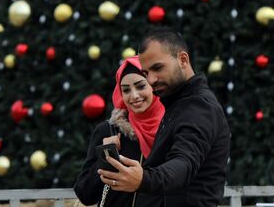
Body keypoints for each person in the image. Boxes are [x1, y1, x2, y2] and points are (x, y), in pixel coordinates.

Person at [98, 28, 231, 207]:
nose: (151, 80)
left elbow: (183, 163)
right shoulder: (178, 103)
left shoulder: (198, 106)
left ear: (183, 59)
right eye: (146, 73)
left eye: (158, 68)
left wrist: (144, 179)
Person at [75, 57, 165, 207]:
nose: (134, 96)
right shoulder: (108, 130)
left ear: (153, 86)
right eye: (126, 90)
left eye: (141, 86)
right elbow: (85, 194)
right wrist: (105, 157)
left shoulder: (172, 128)